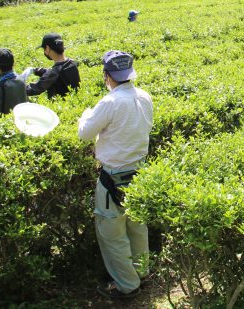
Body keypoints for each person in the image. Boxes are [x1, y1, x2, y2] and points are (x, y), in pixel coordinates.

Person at [78, 51, 153, 300]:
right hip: (140, 173)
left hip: (113, 177)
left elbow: (85, 134)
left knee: (113, 233)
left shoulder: (109, 102)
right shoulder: (144, 96)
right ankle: (142, 272)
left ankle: (128, 285)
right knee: (137, 226)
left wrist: (85, 115)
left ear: (107, 75)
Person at [26, 33, 81, 99]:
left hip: (61, 106)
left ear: (47, 48)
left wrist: (17, 83)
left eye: (44, 48)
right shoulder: (72, 62)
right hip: (75, 101)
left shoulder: (54, 72)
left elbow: (34, 89)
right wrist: (36, 70)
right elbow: (56, 73)